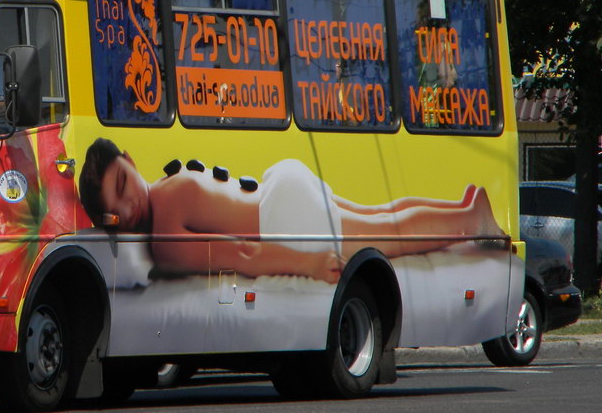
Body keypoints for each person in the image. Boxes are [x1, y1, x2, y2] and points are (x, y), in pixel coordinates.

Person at [78, 138, 505, 284]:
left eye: (122, 185)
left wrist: (309, 264)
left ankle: (469, 221)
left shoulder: (166, 227)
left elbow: (242, 255)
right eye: (115, 211)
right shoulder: (171, 187)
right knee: (379, 215)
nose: (128, 204)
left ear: (131, 162)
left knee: (383, 233)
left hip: (285, 217)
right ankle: (466, 208)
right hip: (280, 188)